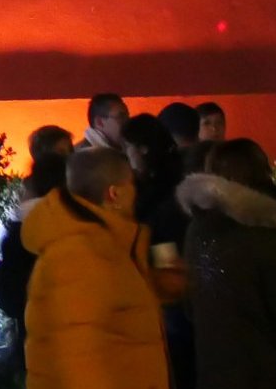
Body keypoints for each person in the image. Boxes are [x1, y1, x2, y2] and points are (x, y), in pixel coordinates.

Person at [177, 139, 276, 389]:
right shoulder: (263, 235)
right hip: (267, 374)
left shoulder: (196, 230)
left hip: (214, 372)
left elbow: (191, 306)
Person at [21, 146, 168, 389]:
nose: (136, 192)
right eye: (131, 184)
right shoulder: (79, 254)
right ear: (114, 193)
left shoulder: (105, 242)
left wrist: (162, 286)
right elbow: (78, 355)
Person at [0, 129, 76, 376]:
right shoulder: (82, 223)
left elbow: (9, 297)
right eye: (61, 152)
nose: (68, 156)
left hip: (37, 339)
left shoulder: (18, 230)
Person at [122, 112, 193, 387]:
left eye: (128, 147)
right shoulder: (172, 181)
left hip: (168, 295)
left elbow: (165, 247)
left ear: (142, 149)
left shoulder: (159, 195)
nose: (126, 155)